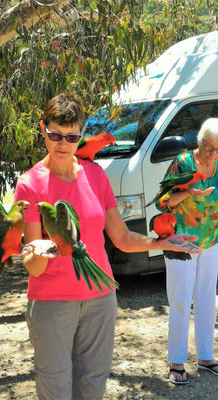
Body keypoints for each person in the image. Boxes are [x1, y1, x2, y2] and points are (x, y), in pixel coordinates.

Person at [14, 92, 200, 400]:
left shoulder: (95, 175)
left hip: (100, 299)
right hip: (52, 303)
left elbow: (122, 238)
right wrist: (35, 254)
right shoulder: (30, 184)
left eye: (71, 137)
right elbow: (33, 262)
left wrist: (162, 241)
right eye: (55, 135)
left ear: (81, 135)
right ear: (42, 128)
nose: (62, 144)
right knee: (56, 389)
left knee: (92, 386)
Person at [156, 118, 218, 385]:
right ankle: (177, 361)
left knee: (206, 301)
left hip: (211, 242)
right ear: (199, 141)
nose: (213, 154)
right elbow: (163, 202)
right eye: (209, 147)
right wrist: (189, 193)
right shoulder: (182, 163)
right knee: (181, 302)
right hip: (182, 244)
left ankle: (205, 357)